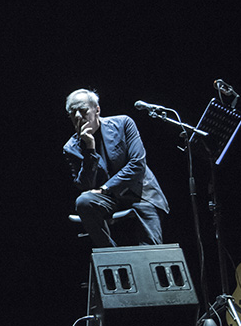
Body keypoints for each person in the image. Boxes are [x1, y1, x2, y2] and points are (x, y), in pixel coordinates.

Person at [62, 88, 168, 247]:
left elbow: (137, 164)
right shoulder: (71, 147)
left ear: (97, 110)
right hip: (109, 199)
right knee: (83, 201)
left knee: (151, 252)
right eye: (72, 112)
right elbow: (85, 186)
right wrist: (89, 148)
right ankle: (110, 253)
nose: (78, 116)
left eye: (83, 111)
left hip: (140, 192)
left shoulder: (123, 123)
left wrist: (106, 188)